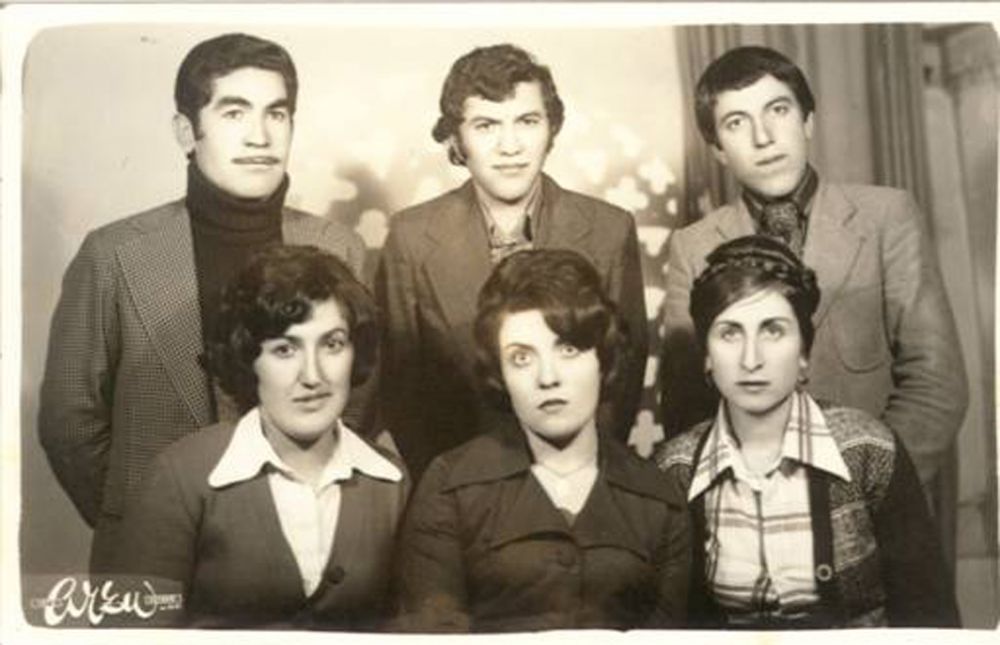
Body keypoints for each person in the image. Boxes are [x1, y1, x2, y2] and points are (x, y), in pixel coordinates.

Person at [37, 33, 365, 572]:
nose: (260, 136)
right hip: (152, 556)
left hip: (305, 550)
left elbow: (358, 403)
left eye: (276, 113)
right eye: (235, 112)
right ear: (187, 131)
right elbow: (69, 422)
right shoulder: (113, 254)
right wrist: (145, 520)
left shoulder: (339, 247)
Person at [660, 46, 966, 489]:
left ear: (807, 122)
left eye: (778, 110)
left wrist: (863, 492)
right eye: (737, 122)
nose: (763, 137)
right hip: (748, 504)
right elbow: (686, 408)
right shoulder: (693, 247)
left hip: (875, 497)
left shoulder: (886, 217)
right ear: (718, 150)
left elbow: (936, 385)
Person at [655, 235, 959, 628]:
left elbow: (930, 618)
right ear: (707, 357)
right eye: (730, 333)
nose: (751, 359)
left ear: (803, 353)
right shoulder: (675, 469)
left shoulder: (869, 450)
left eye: (773, 331)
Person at [376, 43, 647, 480]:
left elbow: (621, 383)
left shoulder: (610, 230)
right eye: (486, 125)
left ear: (551, 128)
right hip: (459, 484)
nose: (510, 146)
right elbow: (400, 391)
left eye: (527, 121)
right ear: (457, 139)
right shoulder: (410, 238)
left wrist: (578, 480)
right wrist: (451, 487)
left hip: (580, 478)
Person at [394, 249, 688, 632]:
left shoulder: (660, 498)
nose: (548, 377)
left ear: (603, 359)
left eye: (568, 350)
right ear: (499, 374)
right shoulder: (449, 487)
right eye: (521, 358)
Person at [115, 245, 406, 629]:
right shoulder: (179, 478)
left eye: (332, 344)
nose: (313, 376)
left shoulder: (392, 482)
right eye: (285, 349)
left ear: (356, 352)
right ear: (248, 359)